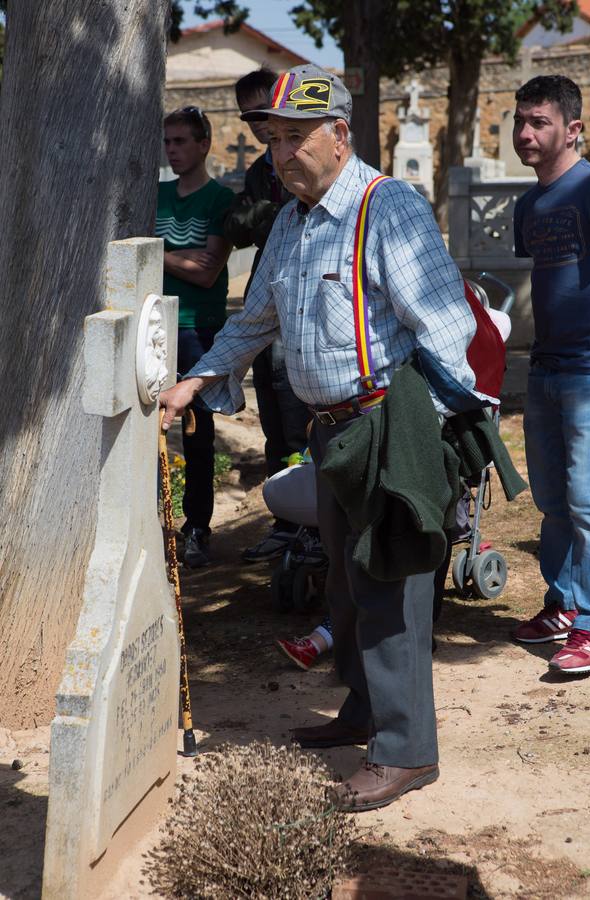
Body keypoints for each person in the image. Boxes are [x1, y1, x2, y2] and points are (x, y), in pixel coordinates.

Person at [160, 64, 479, 811]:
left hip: (387, 426)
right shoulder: (293, 222)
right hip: (329, 432)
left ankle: (405, 753)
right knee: (344, 584)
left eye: (296, 138)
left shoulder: (384, 205)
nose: (281, 154)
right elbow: (254, 319)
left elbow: (447, 325)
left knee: (390, 588)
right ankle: (364, 711)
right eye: (273, 140)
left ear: (340, 134)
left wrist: (425, 438)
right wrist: (197, 382)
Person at [510, 75, 590, 675]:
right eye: (520, 120)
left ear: (573, 129)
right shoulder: (527, 205)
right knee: (551, 501)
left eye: (538, 122)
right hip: (544, 368)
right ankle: (562, 605)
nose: (524, 133)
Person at [224, 68, 313, 563]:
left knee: (297, 407)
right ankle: (286, 521)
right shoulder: (261, 171)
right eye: (252, 117)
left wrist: (259, 215)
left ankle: (311, 524)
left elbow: (282, 216)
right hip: (267, 292)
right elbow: (237, 227)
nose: (260, 125)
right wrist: (258, 214)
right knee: (275, 416)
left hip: (300, 299)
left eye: (266, 111)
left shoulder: (302, 159)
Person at [156, 107, 234, 567]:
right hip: (154, 326)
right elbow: (194, 260)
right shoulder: (156, 194)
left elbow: (208, 272)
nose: (172, 150)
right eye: (168, 141)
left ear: (204, 144)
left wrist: (157, 249)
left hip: (197, 327)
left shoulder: (220, 201)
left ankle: (197, 526)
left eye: (181, 141)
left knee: (198, 430)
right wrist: (183, 255)